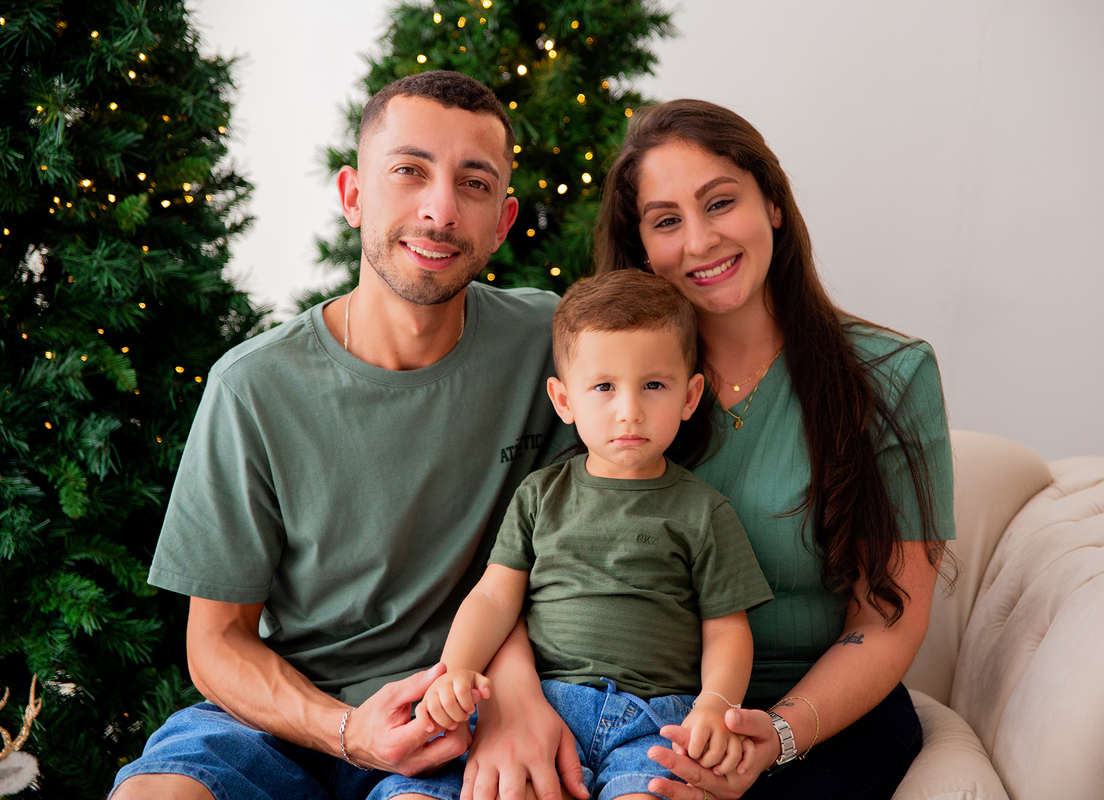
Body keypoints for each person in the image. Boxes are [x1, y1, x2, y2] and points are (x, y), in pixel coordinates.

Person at [109, 71, 576, 800]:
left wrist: (515, 696)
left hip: (458, 720)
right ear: (354, 195)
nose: (440, 209)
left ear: (504, 221)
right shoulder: (253, 387)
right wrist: (345, 732)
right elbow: (216, 643)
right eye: (409, 173)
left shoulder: (553, 348)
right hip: (285, 717)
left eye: (474, 184)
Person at [503, 99, 954, 800]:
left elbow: (888, 620)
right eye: (666, 221)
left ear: (772, 203)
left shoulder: (893, 375)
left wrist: (772, 737)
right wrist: (516, 704)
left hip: (819, 720)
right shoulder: (603, 377)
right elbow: (515, 571)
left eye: (720, 203)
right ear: (643, 246)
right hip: (638, 722)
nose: (701, 241)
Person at [405, 269, 774, 800]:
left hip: (651, 720)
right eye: (603, 387)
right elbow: (493, 595)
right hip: (539, 706)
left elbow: (727, 630)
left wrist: (716, 702)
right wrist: (457, 669)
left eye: (654, 385)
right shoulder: (540, 495)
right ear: (564, 400)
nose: (630, 410)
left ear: (691, 396)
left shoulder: (703, 510)